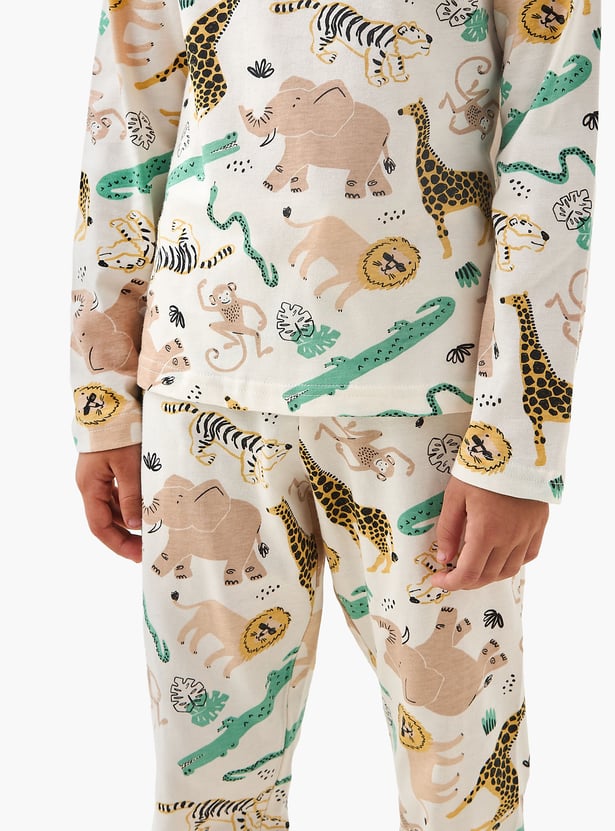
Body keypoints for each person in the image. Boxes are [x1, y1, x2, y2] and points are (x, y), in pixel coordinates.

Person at [71, 1, 601, 828]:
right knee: (208, 776)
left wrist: (516, 448)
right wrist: (102, 401)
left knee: (459, 771)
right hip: (195, 388)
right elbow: (126, 131)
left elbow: (550, 156)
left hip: (428, 409)